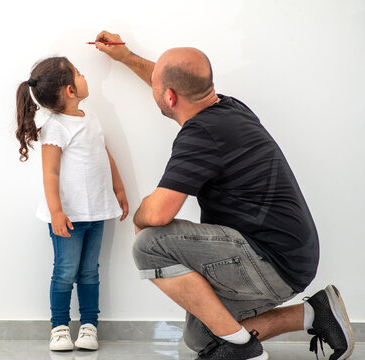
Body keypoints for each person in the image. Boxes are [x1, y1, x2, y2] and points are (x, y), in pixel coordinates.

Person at [91, 31, 354, 360]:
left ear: (169, 97)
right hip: (290, 254)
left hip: (271, 259)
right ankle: (315, 313)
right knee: (201, 337)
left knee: (150, 243)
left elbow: (157, 215)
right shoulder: (227, 108)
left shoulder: (200, 135)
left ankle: (244, 352)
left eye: (158, 88)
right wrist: (127, 57)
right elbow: (175, 82)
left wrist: (140, 217)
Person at [15, 56, 129, 352]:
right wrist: (56, 212)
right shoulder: (55, 127)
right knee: (65, 271)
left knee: (90, 271)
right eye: (79, 73)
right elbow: (50, 173)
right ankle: (60, 328)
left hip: (97, 210)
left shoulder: (90, 119)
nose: (84, 74)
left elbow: (104, 154)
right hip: (67, 216)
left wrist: (118, 187)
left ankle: (89, 326)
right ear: (69, 90)